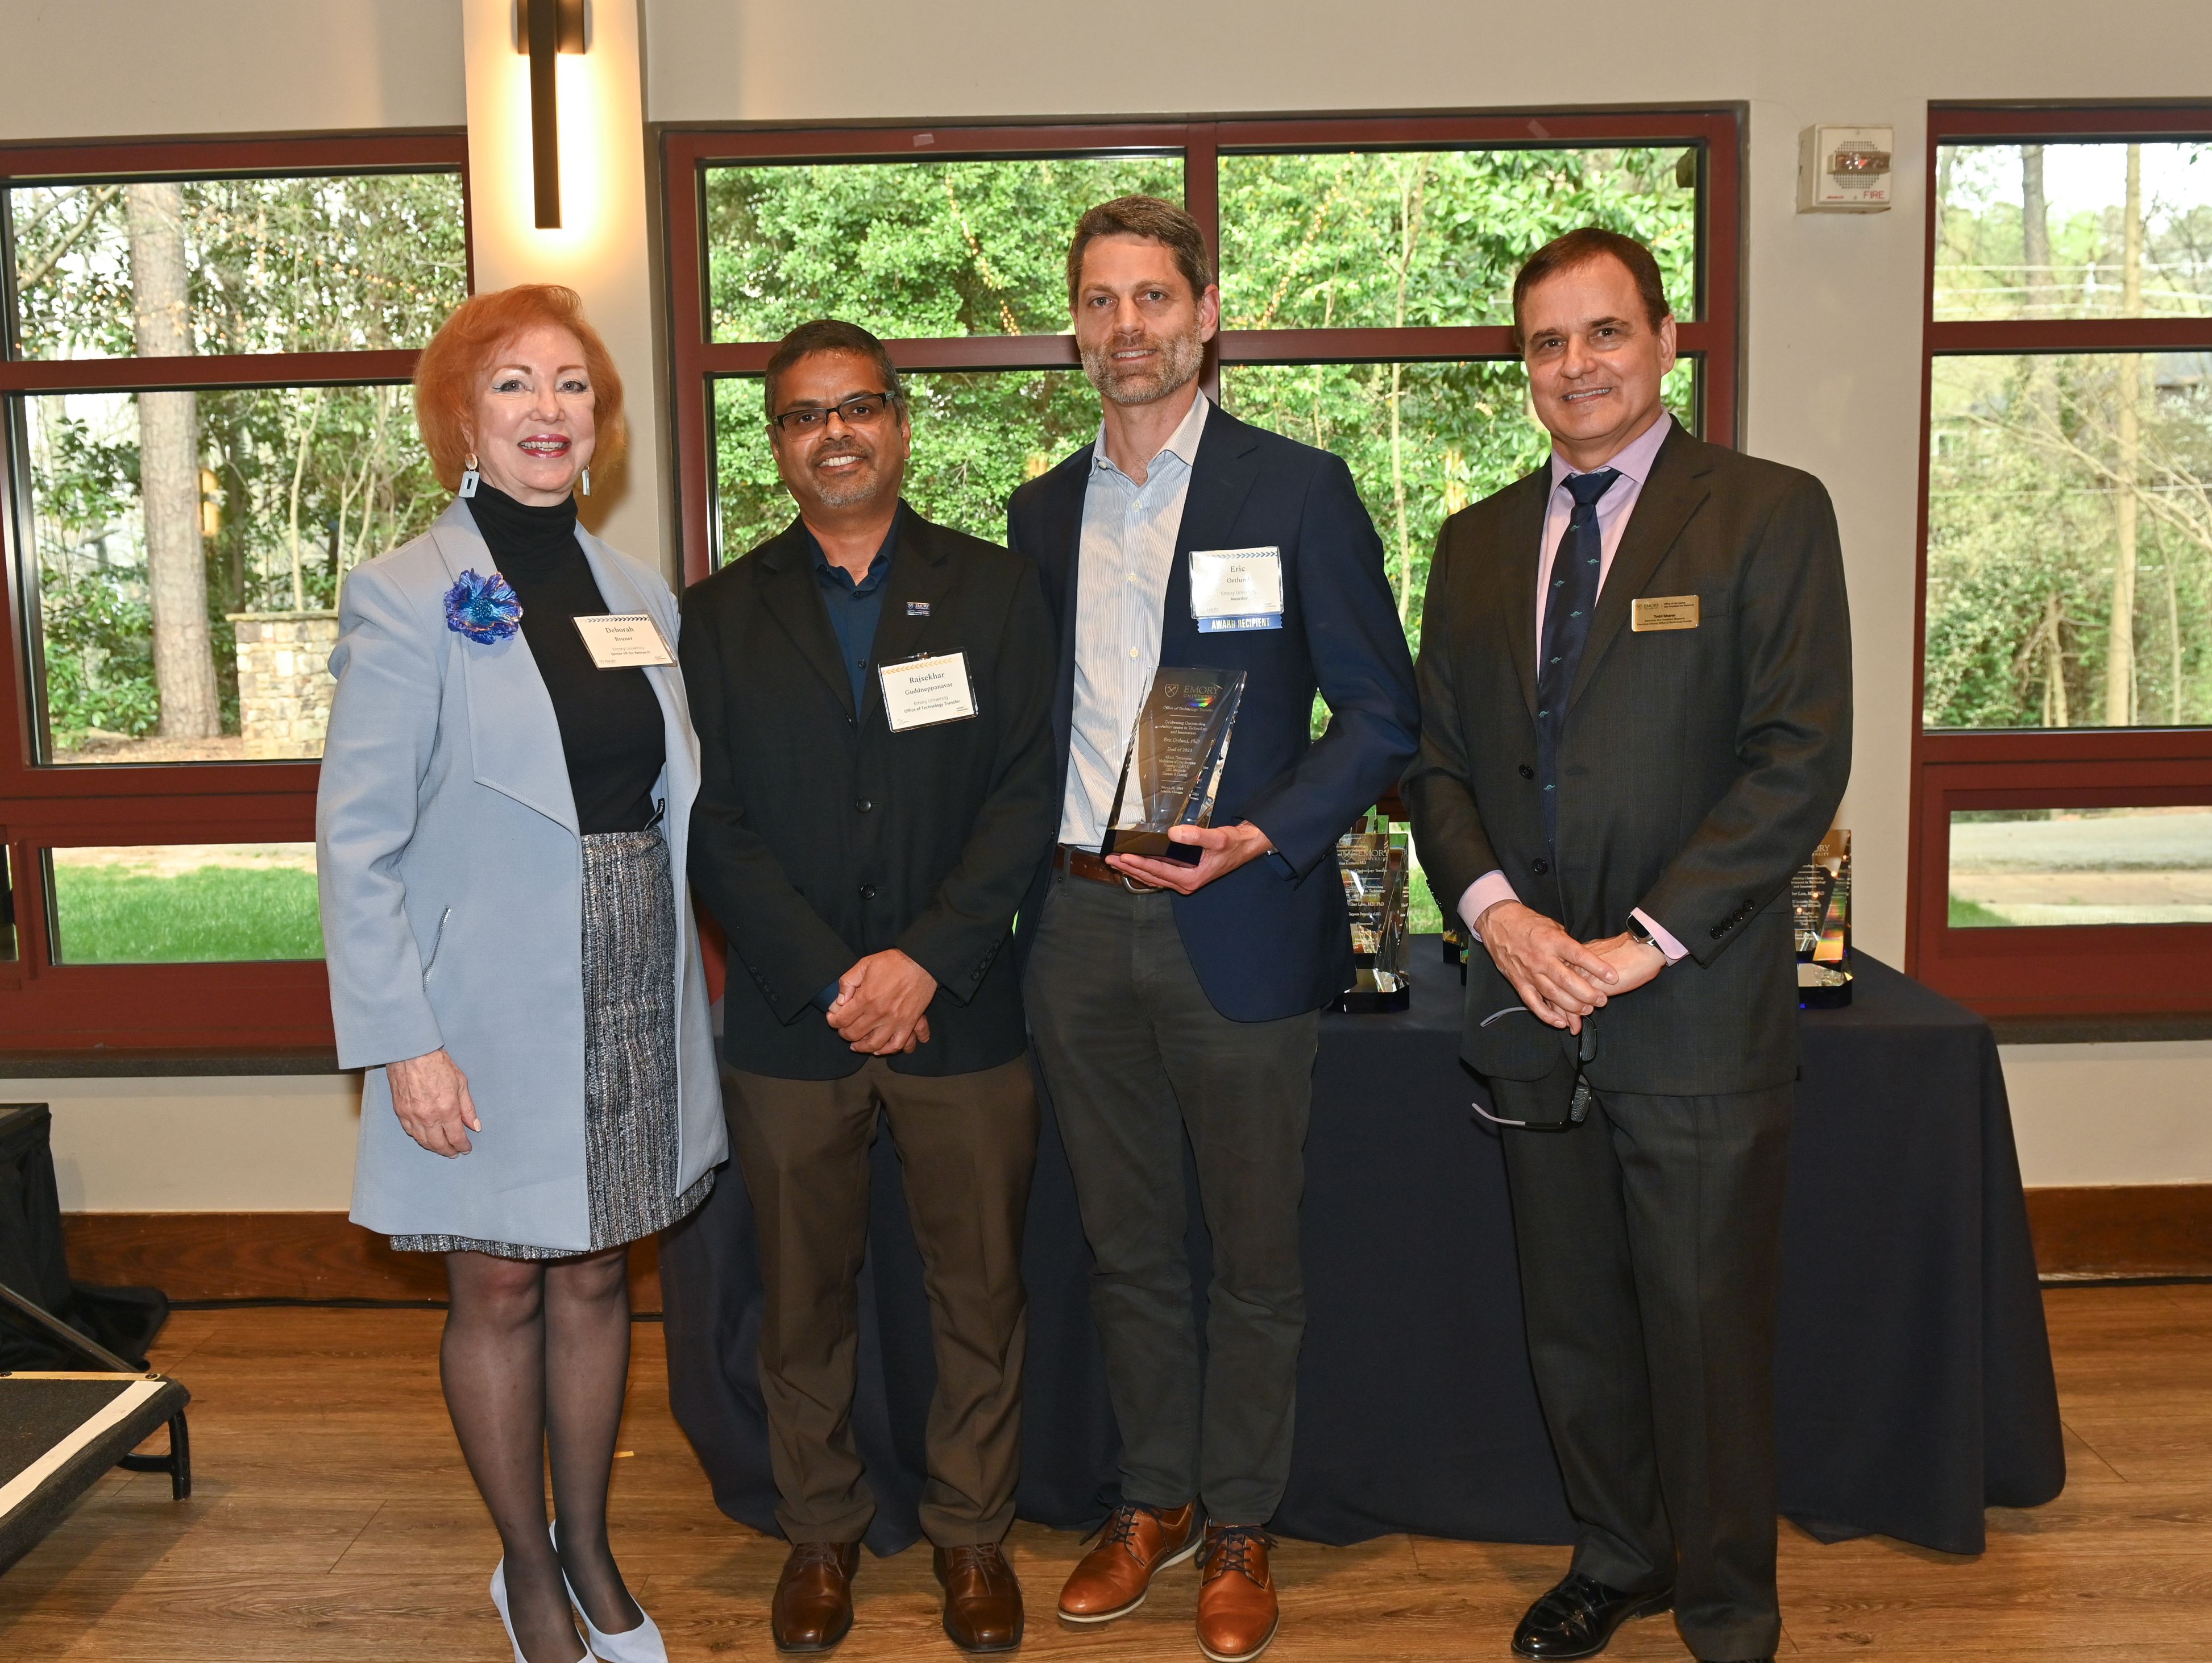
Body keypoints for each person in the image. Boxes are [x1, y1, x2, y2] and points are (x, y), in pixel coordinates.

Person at [1404, 227, 1854, 1663]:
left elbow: (1796, 758)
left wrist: (1645, 941)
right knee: (1574, 1324)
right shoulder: (1474, 543)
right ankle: (1615, 1555)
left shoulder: (1766, 512)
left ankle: (1724, 1611)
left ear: (1665, 339)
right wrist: (1500, 916)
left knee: (1706, 1334)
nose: (1575, 364)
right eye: (1545, 340)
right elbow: (1434, 763)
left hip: (1693, 1001)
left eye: (1603, 331)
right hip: (1528, 996)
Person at [1007, 197, 1419, 1663]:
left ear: (1204, 315)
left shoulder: (1295, 490)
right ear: (1075, 326)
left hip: (1238, 917)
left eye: (1152, 298)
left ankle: (1241, 1516)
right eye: (1099, 300)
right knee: (1124, 1247)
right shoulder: (1038, 513)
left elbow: (1381, 712)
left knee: (1250, 1253)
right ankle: (1154, 1497)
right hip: (1075, 925)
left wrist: (1271, 831)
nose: (1126, 326)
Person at [319, 284, 724, 1663]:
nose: (547, 410)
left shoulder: (640, 594)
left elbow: (666, 796)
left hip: (628, 970)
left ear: (598, 422)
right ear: (463, 418)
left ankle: (591, 1546)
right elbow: (356, 841)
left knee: (598, 1274)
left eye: (571, 385)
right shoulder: (405, 594)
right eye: (513, 385)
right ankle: (527, 1569)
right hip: (481, 1000)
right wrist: (404, 1040)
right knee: (496, 1282)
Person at [679, 320, 1060, 1656]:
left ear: (899, 423)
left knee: (979, 1292)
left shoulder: (996, 593)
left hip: (961, 1007)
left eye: (856, 407)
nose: (832, 433)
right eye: (803, 415)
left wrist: (924, 957)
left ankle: (971, 1533)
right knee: (800, 1296)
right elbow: (713, 819)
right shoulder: (718, 614)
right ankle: (819, 1529)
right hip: (794, 1019)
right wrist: (830, 973)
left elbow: (1025, 791)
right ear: (776, 444)